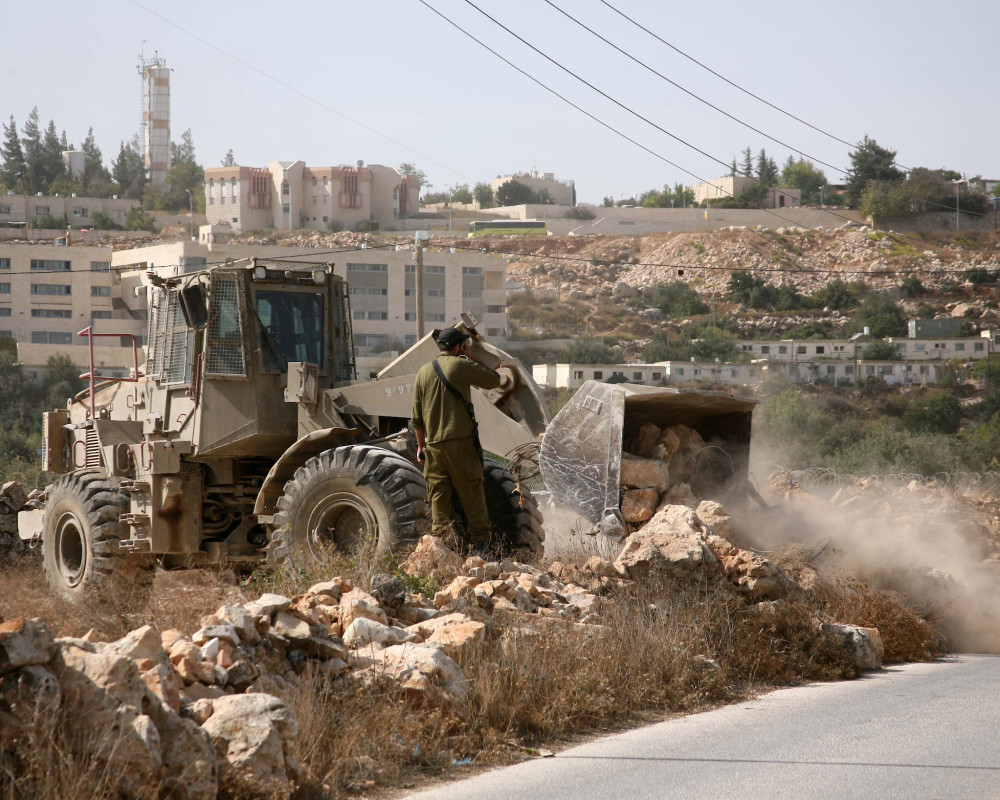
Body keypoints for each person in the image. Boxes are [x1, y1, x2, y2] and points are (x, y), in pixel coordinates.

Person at [411, 327, 501, 554]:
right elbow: (494, 380)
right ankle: (482, 550)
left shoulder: (422, 372)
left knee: (438, 503)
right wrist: (470, 356)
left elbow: (416, 417)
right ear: (459, 346)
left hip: (433, 448)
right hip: (460, 445)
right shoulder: (461, 365)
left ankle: (441, 552)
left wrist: (421, 447)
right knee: (472, 495)